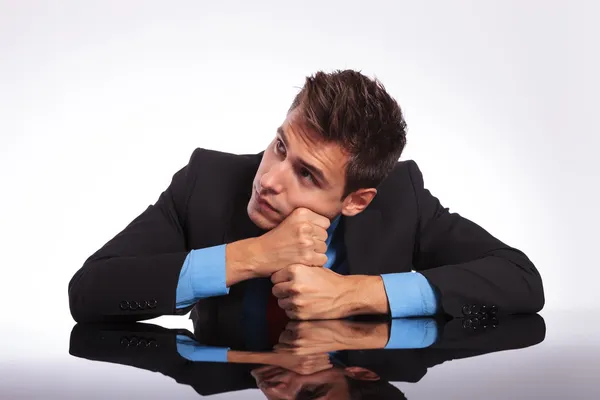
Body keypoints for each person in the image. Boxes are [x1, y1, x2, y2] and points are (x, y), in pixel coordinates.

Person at [68, 69, 544, 323]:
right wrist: (249, 256)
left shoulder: (402, 200)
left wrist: (357, 293)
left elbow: (521, 280)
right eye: (279, 146)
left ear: (356, 200)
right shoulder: (206, 182)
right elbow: (88, 293)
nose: (270, 179)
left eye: (307, 175)